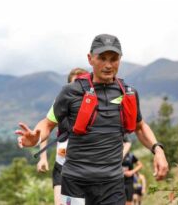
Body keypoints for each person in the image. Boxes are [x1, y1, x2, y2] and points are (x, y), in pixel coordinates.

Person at [16, 34, 169, 205]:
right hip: (75, 183)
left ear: (120, 59)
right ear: (90, 59)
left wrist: (158, 150)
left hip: (113, 185)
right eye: (102, 58)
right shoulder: (70, 92)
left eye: (114, 59)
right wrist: (36, 138)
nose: (108, 65)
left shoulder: (128, 93)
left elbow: (140, 128)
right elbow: (48, 123)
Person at [37, 68, 133, 205]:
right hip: (62, 167)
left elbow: (127, 139)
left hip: (88, 172)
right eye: (75, 83)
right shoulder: (62, 102)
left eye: (81, 82)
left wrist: (118, 157)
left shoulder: (99, 106)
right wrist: (42, 158)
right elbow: (46, 128)